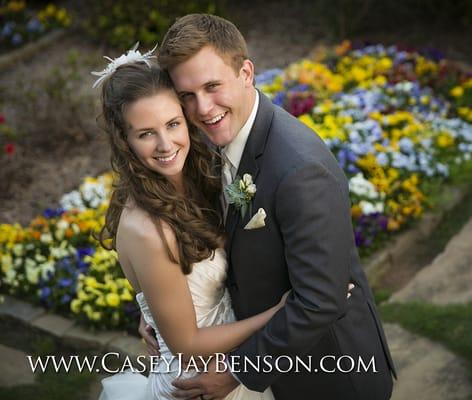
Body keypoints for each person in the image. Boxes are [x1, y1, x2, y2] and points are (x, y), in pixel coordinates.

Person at [147, 13, 397, 400]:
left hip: (329, 375)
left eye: (213, 86)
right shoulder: (212, 145)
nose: (203, 108)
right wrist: (163, 317)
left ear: (246, 72)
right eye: (187, 96)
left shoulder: (299, 170)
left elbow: (319, 300)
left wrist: (237, 372)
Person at [94, 48, 286, 399]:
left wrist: (152, 314)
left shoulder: (198, 176)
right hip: (200, 382)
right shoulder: (147, 228)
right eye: (146, 133)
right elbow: (188, 344)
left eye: (172, 124)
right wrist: (278, 314)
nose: (166, 144)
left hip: (232, 357)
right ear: (125, 141)